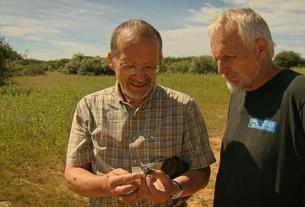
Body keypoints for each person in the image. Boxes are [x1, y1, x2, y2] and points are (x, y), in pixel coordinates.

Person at [208, 8, 305, 207]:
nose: (220, 69)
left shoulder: (301, 94)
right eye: (216, 58)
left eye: (228, 57)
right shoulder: (239, 91)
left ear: (260, 48)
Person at [64, 19, 215, 207]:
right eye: (130, 66)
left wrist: (173, 188)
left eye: (150, 67)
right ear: (112, 61)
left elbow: (201, 171)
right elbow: (73, 174)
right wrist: (106, 185)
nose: (141, 76)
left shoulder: (184, 107)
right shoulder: (89, 106)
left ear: (159, 60)